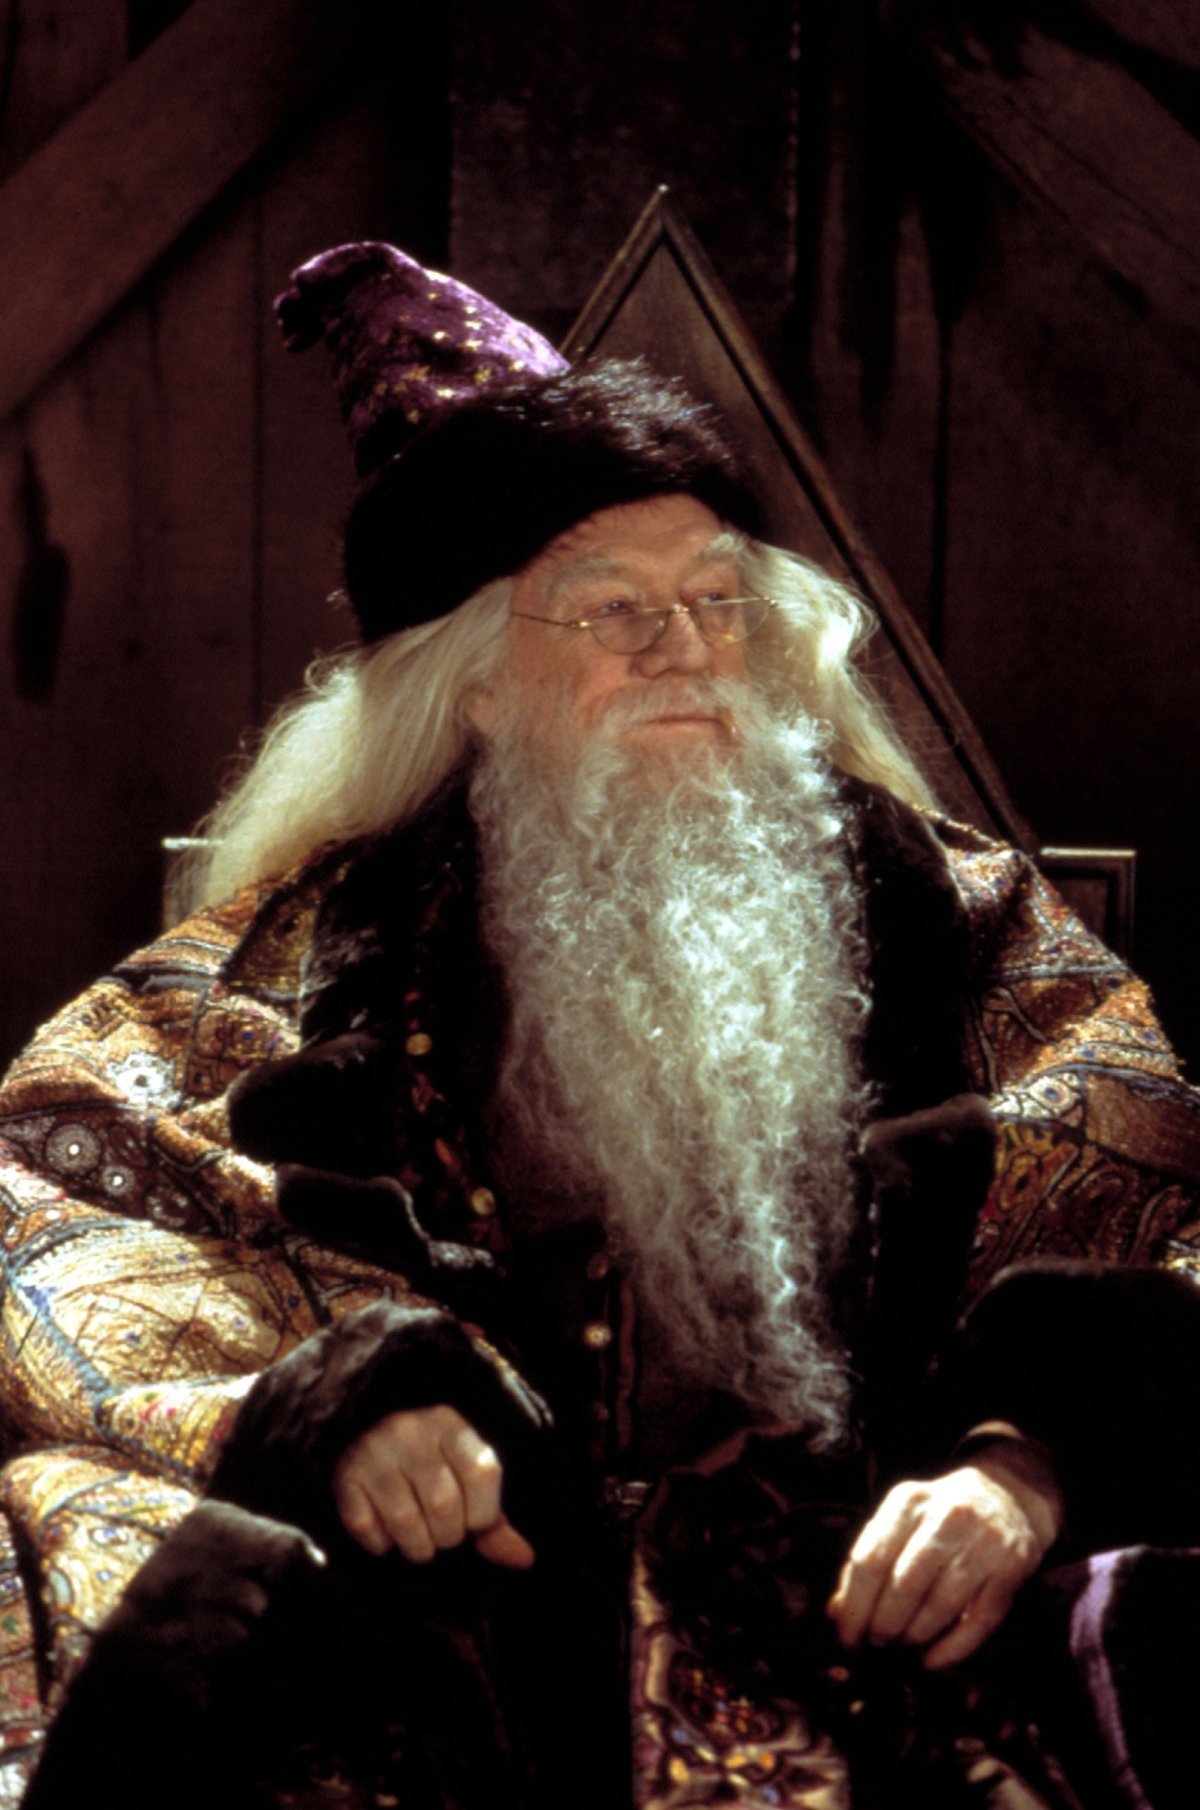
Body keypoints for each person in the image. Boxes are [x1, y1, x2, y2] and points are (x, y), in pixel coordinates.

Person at [2, 242, 1200, 1810]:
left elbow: (1157, 1178)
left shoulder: (953, 912)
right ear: (476, 682)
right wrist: (338, 1410)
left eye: (714, 602)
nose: (686, 649)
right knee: (88, 1530)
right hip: (475, 1581)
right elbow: (54, 1196)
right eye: (612, 611)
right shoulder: (299, 956)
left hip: (890, 1572)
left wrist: (1024, 1457)